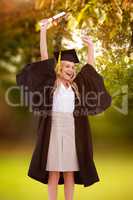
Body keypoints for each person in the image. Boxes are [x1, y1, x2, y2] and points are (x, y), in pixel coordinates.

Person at [16, 19, 112, 200]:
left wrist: (91, 47)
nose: (71, 69)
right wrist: (43, 31)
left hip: (72, 130)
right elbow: (44, 58)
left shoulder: (77, 86)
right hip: (52, 129)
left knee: (69, 172)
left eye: (73, 67)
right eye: (67, 66)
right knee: (54, 172)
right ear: (59, 68)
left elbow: (90, 69)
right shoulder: (51, 84)